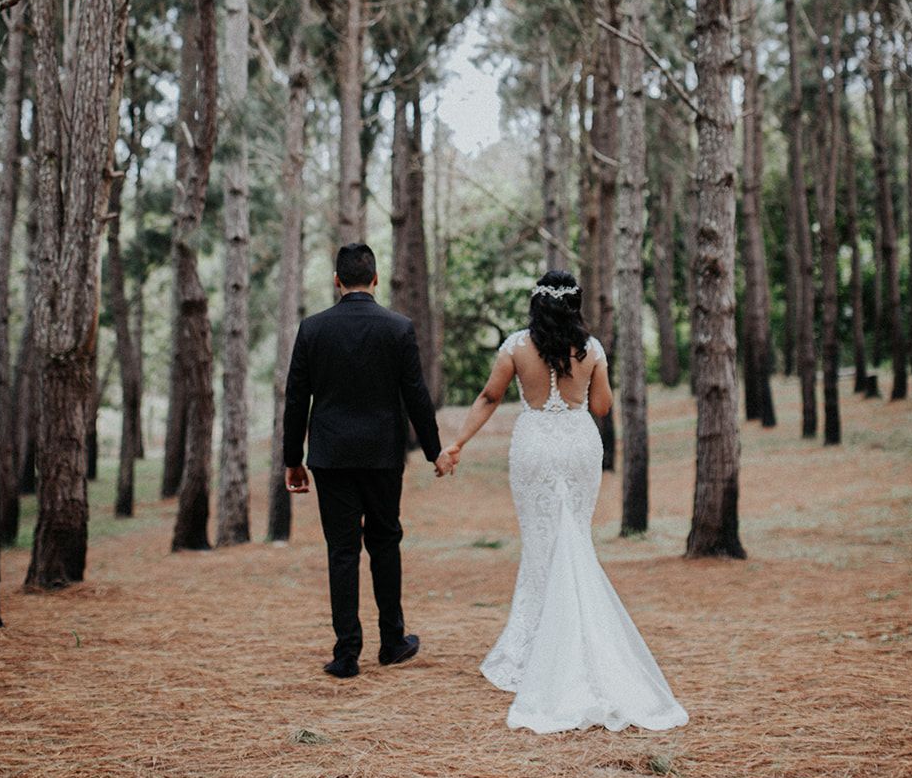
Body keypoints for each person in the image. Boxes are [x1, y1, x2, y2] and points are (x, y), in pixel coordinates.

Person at [438, 270, 688, 735]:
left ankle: (535, 650)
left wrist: (457, 445)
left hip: (534, 445)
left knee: (541, 545)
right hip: (577, 446)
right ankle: (580, 643)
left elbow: (490, 397)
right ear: (574, 307)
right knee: (577, 539)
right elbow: (602, 407)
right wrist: (595, 374)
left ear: (536, 305)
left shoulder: (515, 347)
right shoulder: (591, 350)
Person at [282, 241, 450, 679]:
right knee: (384, 542)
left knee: (341, 551)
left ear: (337, 281)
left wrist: (292, 458)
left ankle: (346, 654)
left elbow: (297, 398)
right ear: (375, 279)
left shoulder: (313, 329)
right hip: (381, 454)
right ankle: (392, 641)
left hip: (331, 455)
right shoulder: (397, 328)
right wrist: (435, 451)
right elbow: (416, 395)